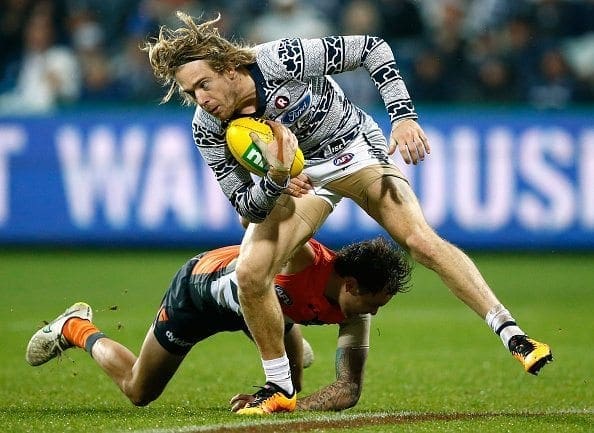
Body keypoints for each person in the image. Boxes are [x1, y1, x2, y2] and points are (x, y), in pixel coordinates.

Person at [141, 11, 553, 414]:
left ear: (230, 68)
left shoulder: (281, 59)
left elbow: (371, 49)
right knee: (250, 272)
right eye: (191, 93)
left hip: (353, 149)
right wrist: (278, 179)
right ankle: (279, 386)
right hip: (299, 181)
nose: (201, 99)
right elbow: (244, 206)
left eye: (203, 85)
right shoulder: (206, 127)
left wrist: (404, 117)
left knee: (419, 240)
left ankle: (512, 333)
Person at [25, 236, 412, 413]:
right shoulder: (302, 257)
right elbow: (260, 221)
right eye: (373, 304)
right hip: (201, 290)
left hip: (261, 313)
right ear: (350, 284)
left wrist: (292, 404)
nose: (372, 315)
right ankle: (75, 327)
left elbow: (349, 389)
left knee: (287, 373)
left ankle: (283, 347)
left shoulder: (355, 308)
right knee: (138, 391)